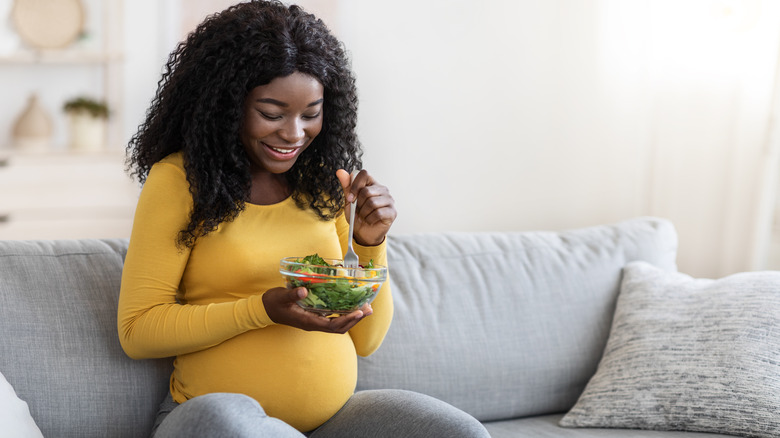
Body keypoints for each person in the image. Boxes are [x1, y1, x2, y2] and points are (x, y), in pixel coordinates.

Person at [117, 1, 490, 437]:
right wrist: (262, 310)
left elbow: (366, 341)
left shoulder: (323, 183)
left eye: (310, 114)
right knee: (225, 423)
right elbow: (138, 330)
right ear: (225, 105)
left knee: (457, 432)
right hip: (220, 421)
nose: (294, 134)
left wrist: (370, 243)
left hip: (333, 420)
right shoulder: (179, 180)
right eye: (272, 114)